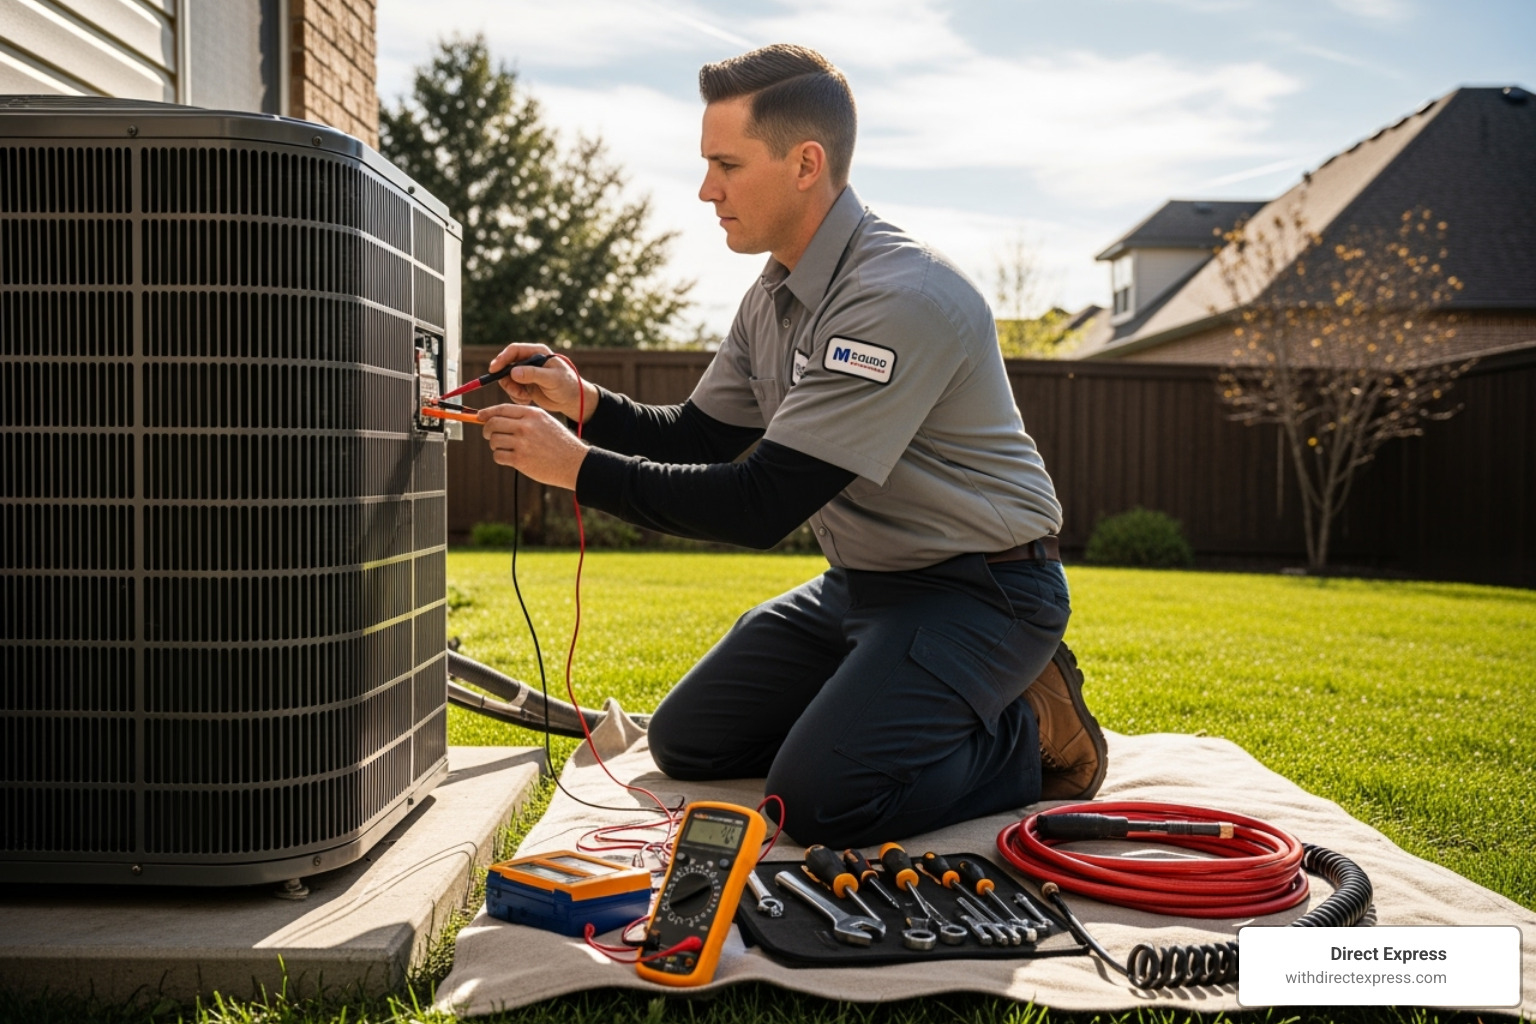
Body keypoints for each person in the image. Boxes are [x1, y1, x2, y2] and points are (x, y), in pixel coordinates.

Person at [475, 43, 1106, 848]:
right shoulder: (774, 294)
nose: (707, 190)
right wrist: (581, 401)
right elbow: (701, 436)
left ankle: (1028, 732)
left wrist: (575, 467)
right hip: (864, 586)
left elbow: (760, 503)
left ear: (806, 163)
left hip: (984, 593)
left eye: (726, 165)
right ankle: (874, 714)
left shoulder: (899, 298)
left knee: (818, 803)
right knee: (688, 742)